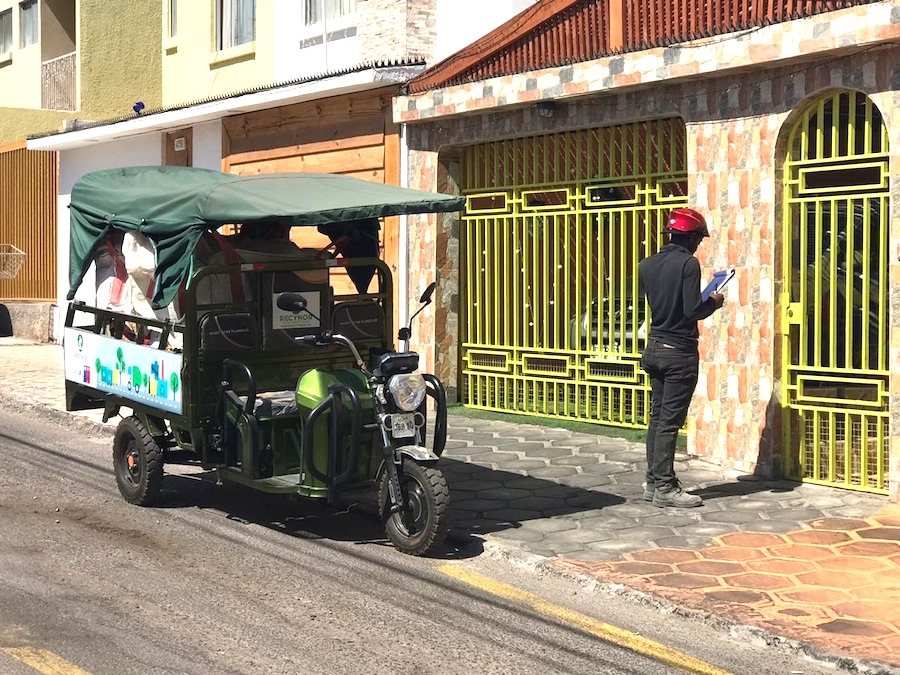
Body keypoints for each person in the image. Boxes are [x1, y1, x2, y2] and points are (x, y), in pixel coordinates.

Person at [638, 207, 724, 508]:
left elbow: (664, 305)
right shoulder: (688, 264)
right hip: (679, 353)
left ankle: (653, 482)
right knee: (669, 423)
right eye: (698, 239)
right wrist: (713, 302)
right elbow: (691, 311)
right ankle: (665, 487)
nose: (698, 245)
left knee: (657, 418)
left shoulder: (646, 265)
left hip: (655, 347)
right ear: (690, 237)